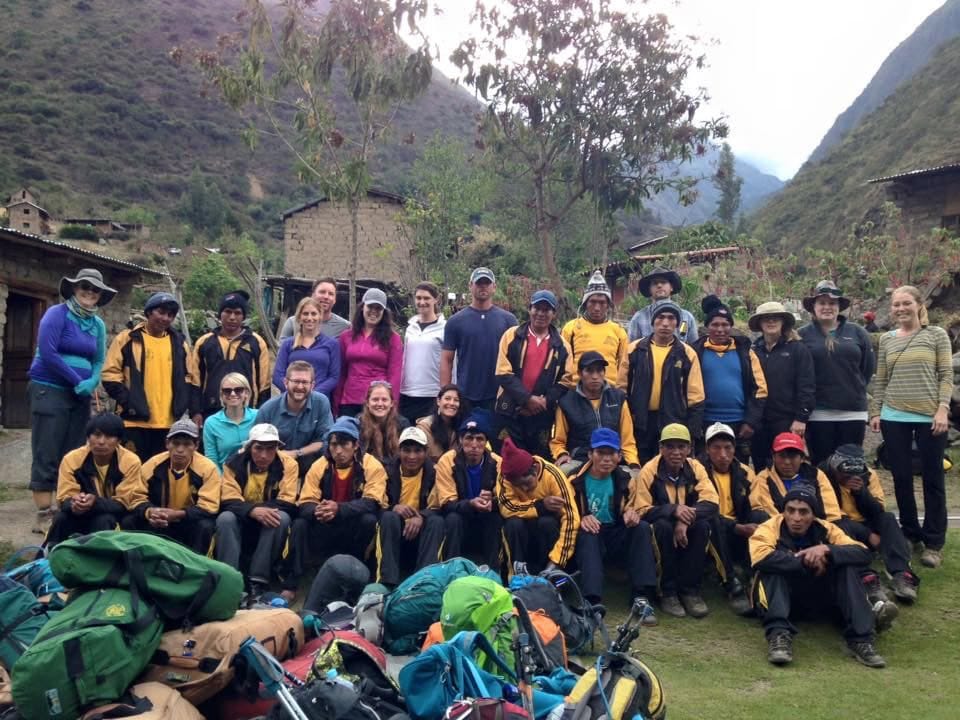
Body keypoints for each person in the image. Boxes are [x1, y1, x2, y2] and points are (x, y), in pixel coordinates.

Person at [750, 484, 886, 668]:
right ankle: (778, 636)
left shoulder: (827, 529)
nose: (796, 518)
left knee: (847, 567)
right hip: (782, 598)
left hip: (820, 597)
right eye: (791, 511)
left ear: (813, 515)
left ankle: (862, 639)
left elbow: (863, 553)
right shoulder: (769, 527)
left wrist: (827, 550)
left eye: (803, 512)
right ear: (783, 512)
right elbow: (760, 557)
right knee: (772, 569)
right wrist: (806, 561)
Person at [868, 285, 952, 570]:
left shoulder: (936, 335)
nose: (901, 309)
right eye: (896, 305)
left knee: (932, 479)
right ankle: (910, 533)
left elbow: (945, 374)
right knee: (902, 478)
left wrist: (943, 408)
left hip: (930, 417)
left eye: (906, 303)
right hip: (894, 416)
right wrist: (877, 411)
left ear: (918, 304)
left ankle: (933, 542)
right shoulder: (888, 340)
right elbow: (881, 379)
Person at [28, 268, 114, 533]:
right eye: (84, 287)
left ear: (100, 296)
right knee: (48, 448)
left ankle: (67, 510)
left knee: (74, 450)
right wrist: (75, 380)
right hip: (50, 388)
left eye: (95, 289)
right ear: (74, 289)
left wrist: (91, 381)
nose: (89, 292)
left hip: (81, 393)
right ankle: (44, 514)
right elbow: (49, 352)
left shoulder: (97, 324)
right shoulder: (56, 314)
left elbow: (99, 358)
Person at [285, 417, 388, 600]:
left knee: (369, 520)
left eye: (344, 445)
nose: (338, 451)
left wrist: (338, 509)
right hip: (326, 524)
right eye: (333, 445)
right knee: (300, 522)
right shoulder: (320, 465)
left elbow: (372, 502)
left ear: (356, 445)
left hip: (353, 525)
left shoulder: (371, 465)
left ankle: (358, 575)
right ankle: (291, 583)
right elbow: (305, 501)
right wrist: (318, 510)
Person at [628, 423, 719, 618]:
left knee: (703, 525)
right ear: (661, 448)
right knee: (661, 527)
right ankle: (666, 592)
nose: (676, 452)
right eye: (670, 446)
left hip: (687, 525)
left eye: (681, 446)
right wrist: (673, 510)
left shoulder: (696, 468)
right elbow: (642, 510)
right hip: (662, 527)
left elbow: (711, 502)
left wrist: (685, 519)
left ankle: (690, 591)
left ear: (689, 449)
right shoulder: (649, 471)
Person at [570, 428, 658, 621]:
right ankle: (592, 602)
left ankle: (641, 596)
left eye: (611, 453)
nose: (606, 459)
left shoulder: (626, 480)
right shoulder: (574, 480)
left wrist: (631, 513)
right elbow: (566, 512)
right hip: (589, 534)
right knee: (588, 533)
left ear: (619, 456)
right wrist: (582, 518)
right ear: (590, 454)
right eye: (601, 453)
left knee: (641, 528)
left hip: (615, 530)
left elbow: (635, 506)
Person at [102, 292, 201, 462]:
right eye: (161, 312)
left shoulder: (179, 344)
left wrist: (192, 409)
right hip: (134, 422)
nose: (165, 318)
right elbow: (110, 374)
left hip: (168, 423)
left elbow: (191, 378)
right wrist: (129, 401)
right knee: (132, 469)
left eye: (170, 315)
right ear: (148, 312)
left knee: (159, 473)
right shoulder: (128, 338)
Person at [822, 445, 919, 603]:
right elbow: (830, 516)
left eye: (855, 474)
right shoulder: (821, 476)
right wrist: (867, 535)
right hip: (842, 528)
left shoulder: (869, 475)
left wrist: (861, 493)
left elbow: (879, 509)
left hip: (867, 521)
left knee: (888, 518)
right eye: (845, 474)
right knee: (841, 525)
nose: (850, 478)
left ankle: (902, 574)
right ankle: (867, 578)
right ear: (834, 469)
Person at [217, 423, 300, 597]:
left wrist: (261, 511)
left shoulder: (289, 464)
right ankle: (229, 577)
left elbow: (288, 500)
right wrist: (252, 511)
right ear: (249, 447)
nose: (264, 455)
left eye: (270, 449)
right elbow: (228, 499)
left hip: (270, 516)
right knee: (225, 518)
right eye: (258, 448)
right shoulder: (233, 463)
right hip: (243, 516)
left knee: (282, 518)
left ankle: (258, 580)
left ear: (277, 448)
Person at [116, 419, 221, 554]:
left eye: (187, 444)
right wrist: (151, 512)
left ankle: (196, 566)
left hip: (188, 521)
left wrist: (179, 514)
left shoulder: (208, 468)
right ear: (167, 444)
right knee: (129, 521)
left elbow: (209, 506)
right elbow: (136, 497)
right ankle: (136, 563)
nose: (180, 450)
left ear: (196, 446)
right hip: (157, 520)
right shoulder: (153, 464)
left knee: (205, 526)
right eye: (175, 443)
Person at [619, 300, 705, 463]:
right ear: (653, 322)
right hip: (640, 422)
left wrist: (692, 431)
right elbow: (621, 388)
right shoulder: (634, 350)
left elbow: (696, 396)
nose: (665, 323)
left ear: (677, 324)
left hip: (673, 421)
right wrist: (628, 417)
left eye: (671, 318)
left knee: (668, 467)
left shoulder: (687, 354)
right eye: (660, 317)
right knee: (639, 465)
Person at [799, 280, 875, 465]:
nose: (827, 307)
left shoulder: (857, 332)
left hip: (853, 412)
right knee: (822, 467)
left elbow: (867, 368)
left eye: (832, 303)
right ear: (813, 307)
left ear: (839, 306)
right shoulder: (802, 335)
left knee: (851, 466)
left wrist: (853, 388)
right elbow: (799, 373)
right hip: (818, 413)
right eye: (822, 303)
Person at [494, 289, 573, 457]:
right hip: (510, 410)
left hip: (541, 414)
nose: (541, 313)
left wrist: (544, 401)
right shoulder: (512, 335)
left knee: (538, 461)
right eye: (537, 308)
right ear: (529, 309)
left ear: (554, 314)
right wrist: (527, 399)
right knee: (508, 458)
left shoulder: (562, 345)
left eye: (546, 309)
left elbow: (566, 381)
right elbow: (502, 372)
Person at [698, 423, 765, 614]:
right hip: (710, 532)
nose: (723, 454)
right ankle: (731, 584)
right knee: (712, 520)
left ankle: (757, 577)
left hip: (738, 528)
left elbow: (757, 504)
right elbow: (701, 509)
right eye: (716, 447)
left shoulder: (745, 471)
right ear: (707, 449)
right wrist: (736, 527)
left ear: (735, 449)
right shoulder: (697, 470)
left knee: (762, 516)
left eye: (728, 448)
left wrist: (753, 524)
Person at [693, 295, 767, 463]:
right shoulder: (695, 352)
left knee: (737, 469)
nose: (720, 329)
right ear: (707, 327)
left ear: (731, 327)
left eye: (725, 324)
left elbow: (760, 390)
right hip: (705, 422)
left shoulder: (745, 353)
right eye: (715, 324)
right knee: (705, 469)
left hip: (739, 423)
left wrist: (751, 421)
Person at [47, 413, 139, 547]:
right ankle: (49, 557)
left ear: (119, 440)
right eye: (96, 435)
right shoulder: (72, 459)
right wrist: (74, 502)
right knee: (61, 518)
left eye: (109, 436)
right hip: (80, 513)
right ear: (88, 437)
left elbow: (125, 503)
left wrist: (95, 502)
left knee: (104, 520)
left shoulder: (130, 461)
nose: (101, 442)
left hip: (113, 516)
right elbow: (63, 498)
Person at [428, 412, 504, 571]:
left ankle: (494, 572)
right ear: (461, 440)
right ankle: (450, 570)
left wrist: (494, 501)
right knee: (453, 518)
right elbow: (447, 503)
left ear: (486, 442)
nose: (474, 445)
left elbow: (506, 498)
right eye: (469, 438)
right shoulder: (448, 460)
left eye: (480, 439)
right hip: (460, 515)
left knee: (495, 519)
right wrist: (470, 503)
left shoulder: (497, 462)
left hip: (484, 517)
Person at [376, 427, 446, 588]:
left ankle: (425, 580)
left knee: (437, 522)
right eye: (406, 451)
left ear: (426, 451)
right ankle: (387, 582)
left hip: (422, 536)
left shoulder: (435, 472)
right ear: (399, 451)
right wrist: (393, 508)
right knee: (388, 517)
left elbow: (441, 506)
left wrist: (421, 516)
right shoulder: (386, 471)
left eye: (417, 451)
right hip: (394, 533)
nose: (412, 456)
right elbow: (374, 504)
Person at [748, 301, 815, 471]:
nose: (771, 322)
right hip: (759, 421)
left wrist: (801, 418)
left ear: (783, 321)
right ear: (759, 323)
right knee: (761, 468)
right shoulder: (753, 350)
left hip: (787, 420)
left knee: (787, 467)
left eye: (775, 318)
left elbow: (806, 385)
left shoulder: (797, 349)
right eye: (766, 318)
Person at [441, 267, 518, 411]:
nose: (483, 287)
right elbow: (447, 359)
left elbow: (517, 359)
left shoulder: (508, 320)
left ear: (494, 287)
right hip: (465, 396)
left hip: (499, 395)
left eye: (487, 283)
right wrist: (446, 392)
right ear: (470, 286)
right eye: (478, 283)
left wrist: (515, 392)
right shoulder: (455, 321)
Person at [498, 437, 579, 574]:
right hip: (523, 530)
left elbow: (572, 519)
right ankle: (515, 574)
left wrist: (557, 561)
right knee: (513, 524)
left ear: (535, 469)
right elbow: (507, 508)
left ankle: (550, 573)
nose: (524, 489)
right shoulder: (505, 476)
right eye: (518, 486)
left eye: (527, 483)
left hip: (548, 535)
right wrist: (541, 506)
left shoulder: (553, 475)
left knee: (546, 522)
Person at [551, 351, 639, 475]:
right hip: (580, 459)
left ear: (604, 373)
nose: (595, 376)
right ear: (580, 374)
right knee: (560, 472)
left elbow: (627, 440)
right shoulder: (567, 402)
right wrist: (562, 454)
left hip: (613, 459)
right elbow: (558, 440)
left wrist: (633, 463)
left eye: (599, 371)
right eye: (589, 371)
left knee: (636, 477)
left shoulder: (618, 398)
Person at [194, 290, 271, 418]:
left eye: (237, 313)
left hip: (247, 412)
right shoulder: (205, 342)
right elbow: (195, 380)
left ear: (243, 316)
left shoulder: (256, 342)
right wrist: (195, 411)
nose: (232, 317)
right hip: (211, 411)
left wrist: (262, 412)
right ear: (220, 314)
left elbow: (264, 383)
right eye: (228, 311)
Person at [256, 360, 334, 476]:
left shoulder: (321, 402)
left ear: (312, 385)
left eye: (305, 382)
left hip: (311, 466)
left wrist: (296, 453)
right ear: (286, 382)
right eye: (296, 381)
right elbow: (257, 444)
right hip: (276, 465)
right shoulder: (268, 409)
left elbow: (325, 440)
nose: (300, 386)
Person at [334, 288, 403, 416]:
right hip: (349, 399)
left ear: (384, 312)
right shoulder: (346, 336)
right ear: (362, 307)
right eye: (370, 307)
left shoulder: (393, 338)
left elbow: (395, 375)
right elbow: (341, 372)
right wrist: (336, 402)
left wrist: (393, 405)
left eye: (378, 309)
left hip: (378, 402)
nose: (374, 312)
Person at [751, 432, 843, 522]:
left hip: (817, 529)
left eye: (792, 456)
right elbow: (771, 515)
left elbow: (831, 513)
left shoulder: (816, 474)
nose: (787, 462)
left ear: (802, 458)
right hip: (779, 531)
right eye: (782, 456)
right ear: (773, 457)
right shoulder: (763, 478)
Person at [561, 270, 629, 384]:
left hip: (609, 393)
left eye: (602, 303)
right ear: (585, 303)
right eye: (593, 302)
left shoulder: (618, 331)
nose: (597, 308)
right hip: (577, 393)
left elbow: (624, 365)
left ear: (608, 305)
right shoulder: (571, 328)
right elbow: (562, 363)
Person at [273, 297, 341, 398]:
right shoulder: (288, 344)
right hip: (291, 401)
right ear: (299, 317)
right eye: (305, 314)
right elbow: (277, 376)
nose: (309, 318)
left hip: (319, 401)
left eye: (313, 314)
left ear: (320, 316)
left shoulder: (332, 344)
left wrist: (313, 394)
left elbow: (334, 377)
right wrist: (295, 392)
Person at [399, 282, 446, 422]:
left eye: (426, 298)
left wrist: (447, 391)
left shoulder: (445, 328)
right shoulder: (410, 328)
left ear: (436, 300)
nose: (422, 302)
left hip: (432, 394)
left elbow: (450, 362)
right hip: (407, 393)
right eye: (418, 298)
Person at [627, 266, 699, 343]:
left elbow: (694, 348)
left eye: (663, 282)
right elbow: (631, 348)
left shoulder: (686, 317)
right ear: (649, 289)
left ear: (671, 287)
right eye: (655, 283)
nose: (659, 285)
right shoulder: (639, 317)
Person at [203, 372, 257, 472]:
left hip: (254, 477)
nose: (233, 394)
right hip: (224, 478)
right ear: (221, 395)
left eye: (238, 390)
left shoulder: (258, 416)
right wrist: (223, 483)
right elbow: (211, 460)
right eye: (227, 391)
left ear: (246, 393)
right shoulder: (211, 423)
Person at [278, 277, 350, 340]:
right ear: (312, 295)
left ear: (335, 299)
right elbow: (282, 352)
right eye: (322, 292)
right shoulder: (293, 323)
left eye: (331, 294)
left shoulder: (345, 327)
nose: (326, 297)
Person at [358, 380, 411, 465]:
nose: (380, 404)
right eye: (375, 399)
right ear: (367, 403)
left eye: (384, 400)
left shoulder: (403, 424)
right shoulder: (358, 423)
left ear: (392, 403)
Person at [417, 384, 466, 462]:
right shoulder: (424, 427)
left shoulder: (462, 426)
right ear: (438, 401)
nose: (452, 403)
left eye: (456, 400)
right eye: (447, 399)